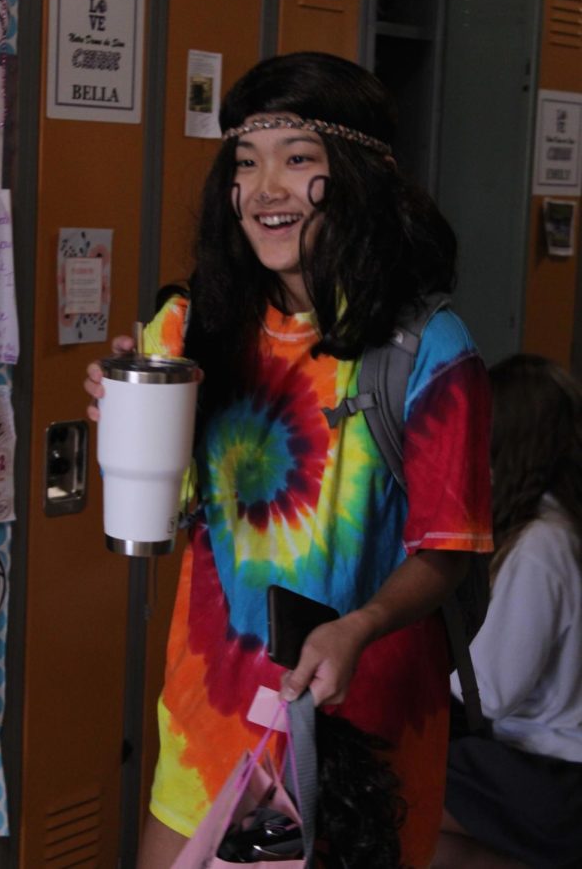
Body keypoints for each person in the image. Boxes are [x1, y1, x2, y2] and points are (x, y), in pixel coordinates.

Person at [85, 51, 493, 868]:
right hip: (210, 719)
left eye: (297, 160)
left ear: (357, 177)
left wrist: (363, 626)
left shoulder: (429, 350)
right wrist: (122, 414)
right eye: (247, 163)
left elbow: (449, 550)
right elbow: (169, 509)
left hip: (359, 742)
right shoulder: (196, 327)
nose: (266, 189)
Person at [433, 354, 582, 869]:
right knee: (441, 843)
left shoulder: (543, 545)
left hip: (552, 775)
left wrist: (412, 652)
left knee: (397, 781)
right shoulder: (557, 528)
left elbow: (493, 691)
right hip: (546, 769)